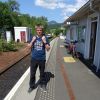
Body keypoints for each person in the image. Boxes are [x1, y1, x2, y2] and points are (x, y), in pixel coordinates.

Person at [27, 24, 50, 92]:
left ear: (42, 31)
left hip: (42, 59)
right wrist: (32, 41)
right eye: (38, 30)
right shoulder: (33, 37)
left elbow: (48, 49)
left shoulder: (45, 37)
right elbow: (28, 47)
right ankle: (31, 86)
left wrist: (44, 41)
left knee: (42, 74)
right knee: (32, 74)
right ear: (36, 31)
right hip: (34, 59)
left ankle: (42, 85)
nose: (39, 31)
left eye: (40, 30)